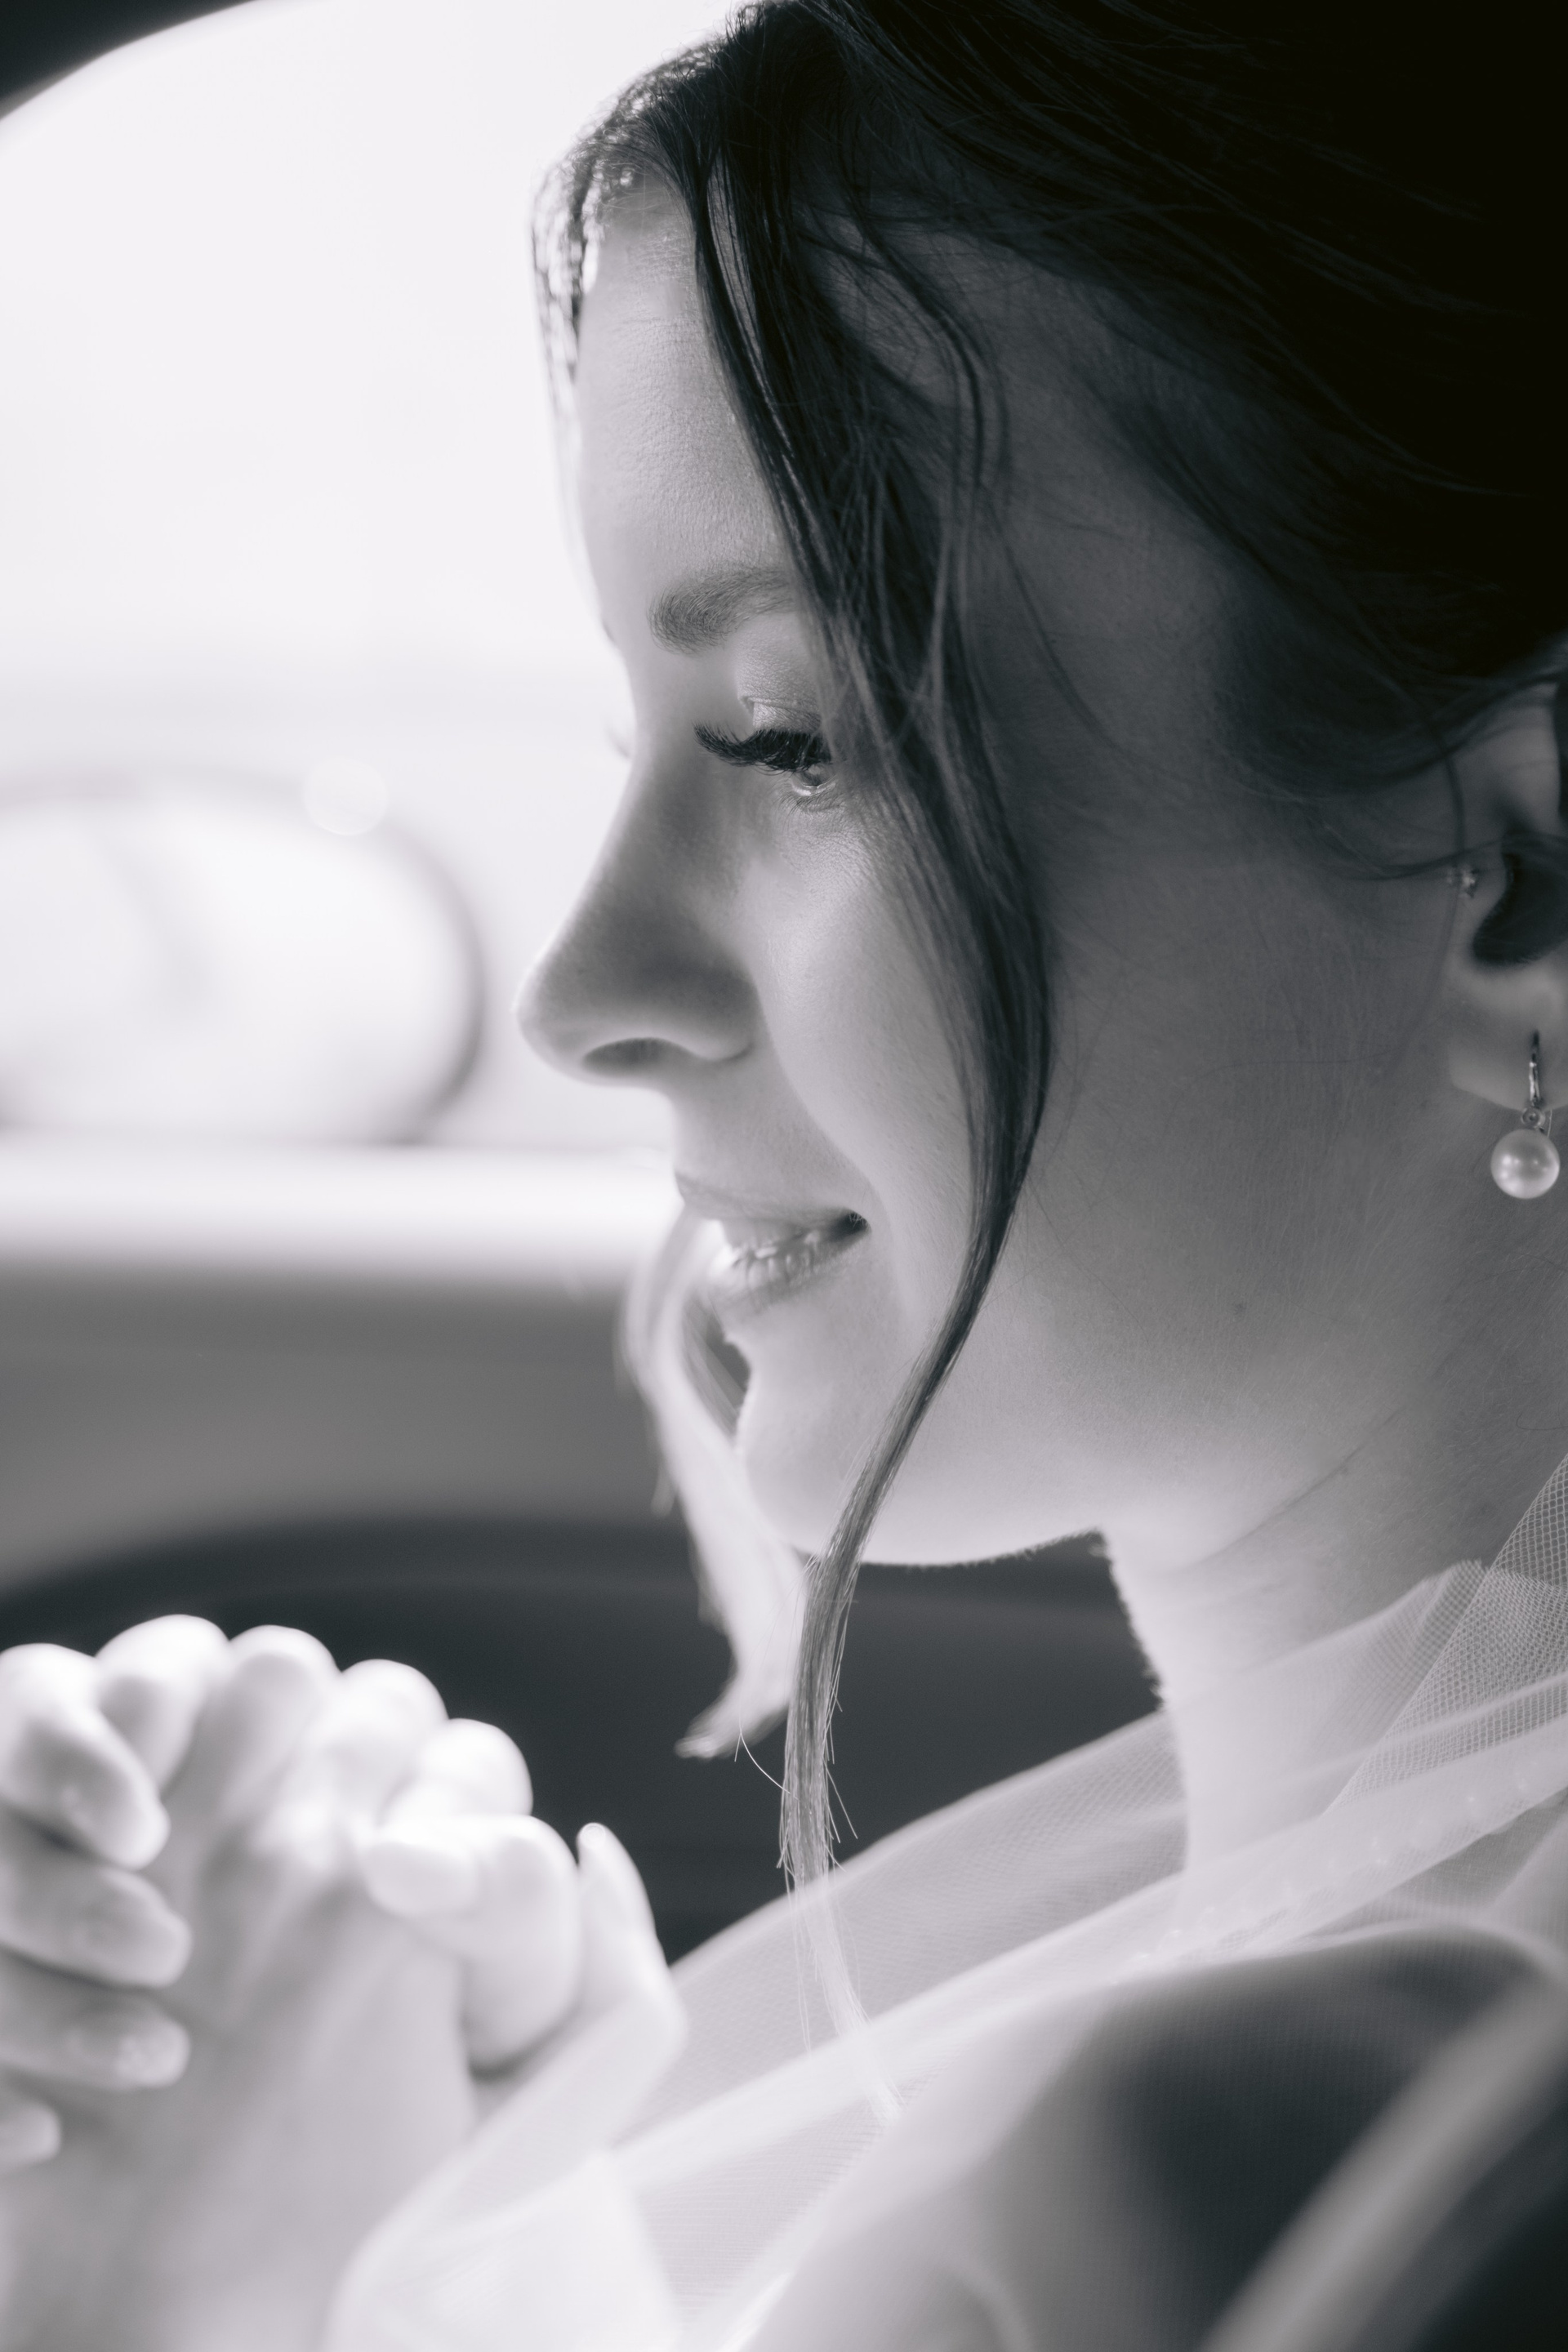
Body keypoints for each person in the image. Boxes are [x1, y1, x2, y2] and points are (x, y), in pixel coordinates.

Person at [2, 0, 1568, 2343]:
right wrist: (485, 2221)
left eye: (788, 742)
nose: (579, 990)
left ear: (1524, 879)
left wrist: (192, 2290)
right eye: (631, 743)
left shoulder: (1168, 2182)